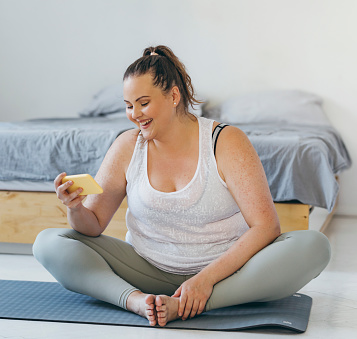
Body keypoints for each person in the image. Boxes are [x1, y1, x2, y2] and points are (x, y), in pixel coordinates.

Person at [33, 45, 331, 327]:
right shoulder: (127, 146)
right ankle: (137, 302)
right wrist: (75, 208)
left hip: (226, 275)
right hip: (145, 269)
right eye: (128, 106)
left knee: (314, 246)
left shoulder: (226, 141)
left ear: (174, 96)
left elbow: (266, 227)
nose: (135, 114)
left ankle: (191, 303)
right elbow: (92, 225)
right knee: (49, 242)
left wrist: (204, 281)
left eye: (144, 103)